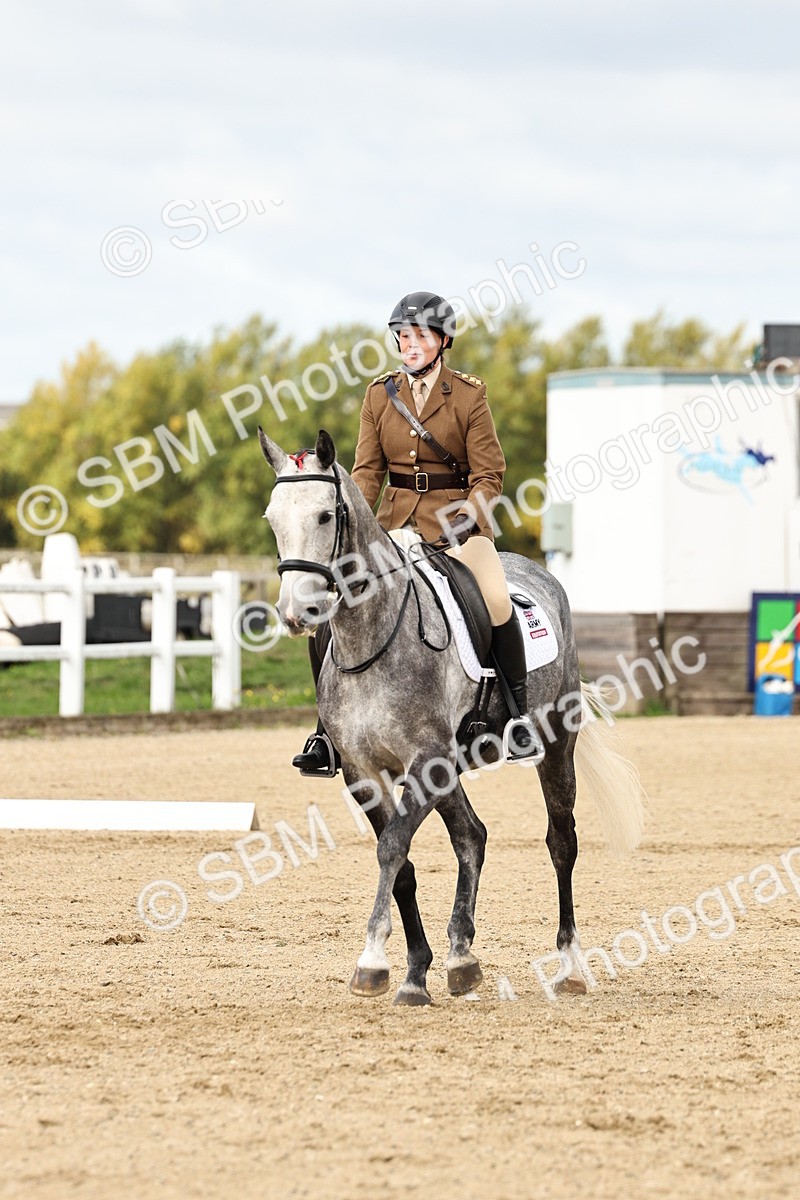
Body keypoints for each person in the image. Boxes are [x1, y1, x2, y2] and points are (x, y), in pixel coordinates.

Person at [292, 290, 542, 775]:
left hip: (459, 525)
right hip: (392, 527)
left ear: (442, 341)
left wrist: (463, 521)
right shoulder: (378, 395)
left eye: (420, 335)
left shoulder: (469, 395)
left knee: (494, 600)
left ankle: (518, 717)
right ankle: (326, 730)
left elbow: (490, 476)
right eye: (402, 335)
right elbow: (366, 472)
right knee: (333, 608)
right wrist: (354, 524)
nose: (409, 344)